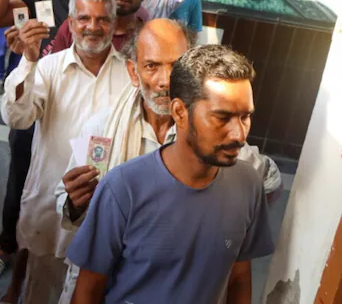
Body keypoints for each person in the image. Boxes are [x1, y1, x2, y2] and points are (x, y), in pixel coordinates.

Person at [56, 21, 282, 303]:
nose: (166, 80)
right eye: (152, 66)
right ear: (133, 71)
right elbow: (65, 207)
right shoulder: (102, 129)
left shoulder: (234, 157)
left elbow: (241, 261)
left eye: (175, 65)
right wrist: (77, 203)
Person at [0, 0, 131, 303]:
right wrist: (28, 61)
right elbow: (18, 117)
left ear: (113, 26)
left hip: (101, 209)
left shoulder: (130, 76)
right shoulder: (48, 67)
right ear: (70, 24)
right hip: (48, 202)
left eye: (102, 19)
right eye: (84, 18)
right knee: (40, 288)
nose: (93, 27)